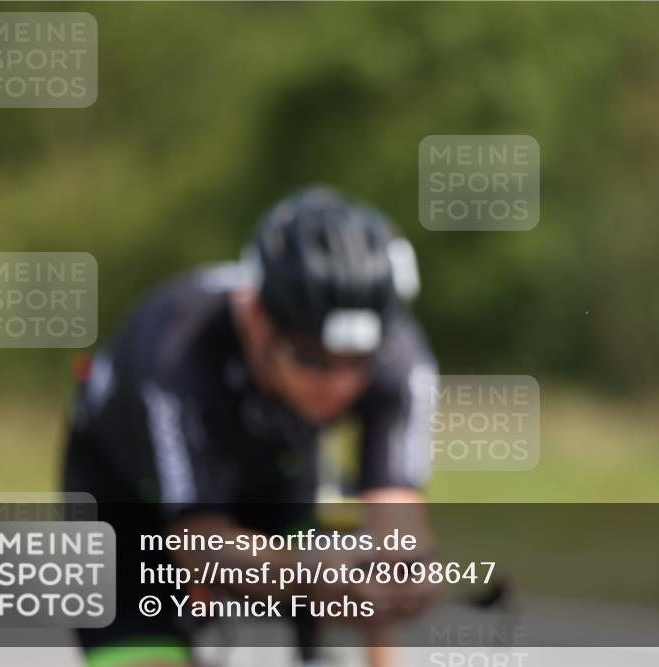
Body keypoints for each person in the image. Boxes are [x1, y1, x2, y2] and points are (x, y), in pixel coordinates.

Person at [62, 185, 438, 667]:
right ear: (257, 320)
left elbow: (395, 517)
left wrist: (403, 575)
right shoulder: (176, 350)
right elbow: (194, 543)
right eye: (311, 358)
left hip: (273, 465)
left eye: (358, 361)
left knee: (366, 564)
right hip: (126, 496)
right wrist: (311, 576)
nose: (338, 383)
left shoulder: (399, 353)